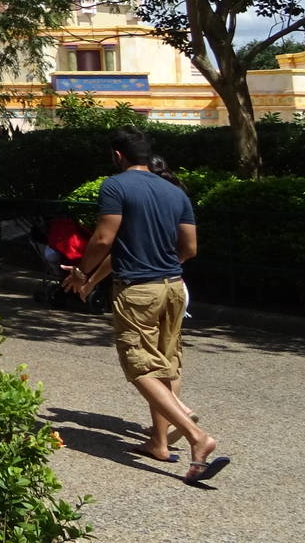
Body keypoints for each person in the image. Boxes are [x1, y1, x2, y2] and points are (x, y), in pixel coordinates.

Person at [63, 127, 227, 484]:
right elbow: (189, 249)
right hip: (172, 287)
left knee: (139, 367)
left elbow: (104, 238)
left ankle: (197, 437)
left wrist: (80, 272)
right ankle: (159, 442)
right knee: (167, 364)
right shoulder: (174, 191)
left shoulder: (115, 186)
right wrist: (159, 267)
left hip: (137, 290)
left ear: (117, 155)